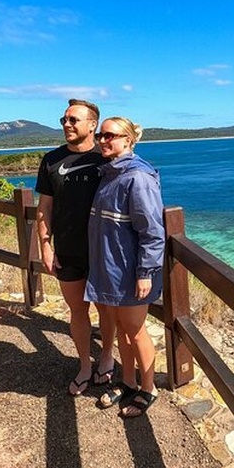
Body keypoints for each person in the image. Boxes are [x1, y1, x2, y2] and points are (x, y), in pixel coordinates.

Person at [85, 116, 165, 418]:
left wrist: (145, 273)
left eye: (111, 136)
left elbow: (152, 232)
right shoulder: (110, 173)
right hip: (112, 268)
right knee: (122, 329)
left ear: (128, 141)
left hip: (131, 272)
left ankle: (148, 389)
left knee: (135, 332)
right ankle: (128, 381)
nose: (103, 140)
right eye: (101, 135)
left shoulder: (137, 178)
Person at [35, 99, 116, 396]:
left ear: (92, 124)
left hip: (104, 251)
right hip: (68, 249)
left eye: (73, 120)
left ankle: (106, 357)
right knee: (77, 310)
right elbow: (44, 206)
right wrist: (45, 245)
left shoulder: (107, 157)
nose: (67, 124)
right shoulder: (52, 160)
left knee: (106, 310)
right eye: (64, 120)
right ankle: (84, 365)